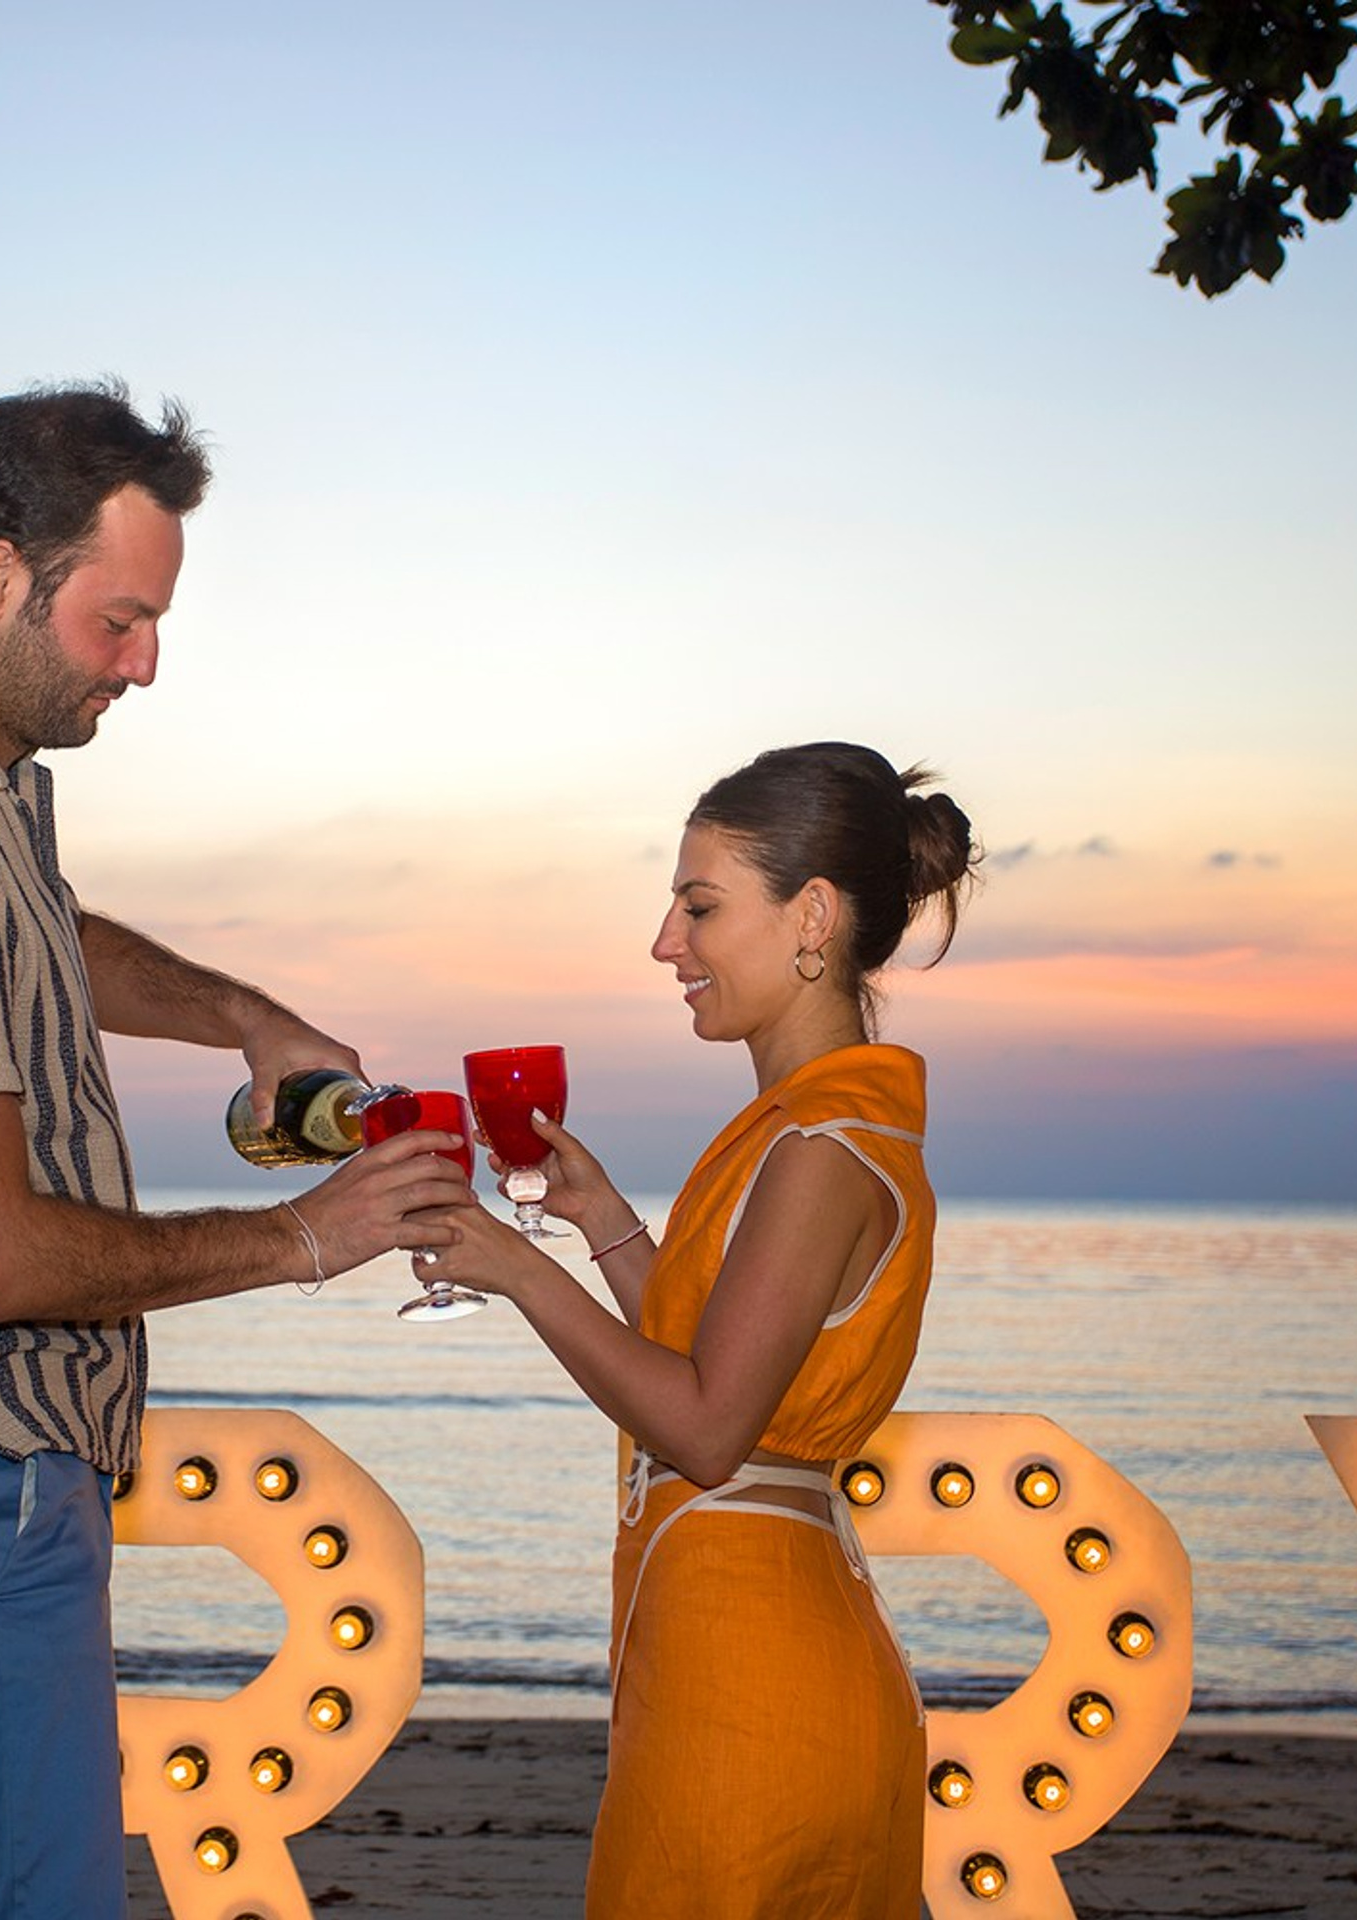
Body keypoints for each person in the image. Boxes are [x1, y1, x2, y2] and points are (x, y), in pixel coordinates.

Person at [0, 381, 468, 1920]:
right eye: (120, 621)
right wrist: (308, 1236)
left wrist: (240, 1016)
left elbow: (39, 940)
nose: (145, 665)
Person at [416, 741, 979, 1919]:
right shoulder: (812, 1131)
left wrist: (518, 1266)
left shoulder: (821, 1152)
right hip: (733, 1665)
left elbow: (711, 1429)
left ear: (811, 916)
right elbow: (731, 1370)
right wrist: (608, 1226)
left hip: (757, 1701)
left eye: (700, 904)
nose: (667, 941)